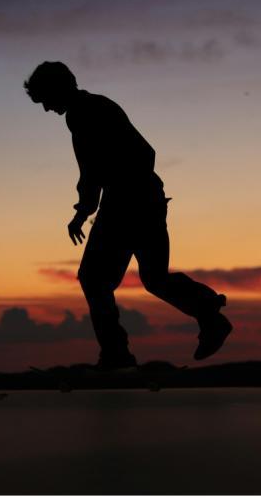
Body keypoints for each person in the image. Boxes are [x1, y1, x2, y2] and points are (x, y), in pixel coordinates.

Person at [24, 61, 232, 370]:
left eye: (45, 100)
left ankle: (116, 355)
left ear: (58, 89)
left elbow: (100, 167)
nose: (45, 110)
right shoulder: (97, 107)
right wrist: (94, 204)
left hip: (128, 203)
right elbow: (126, 159)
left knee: (94, 279)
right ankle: (209, 315)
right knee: (155, 279)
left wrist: (90, 207)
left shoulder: (83, 113)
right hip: (145, 198)